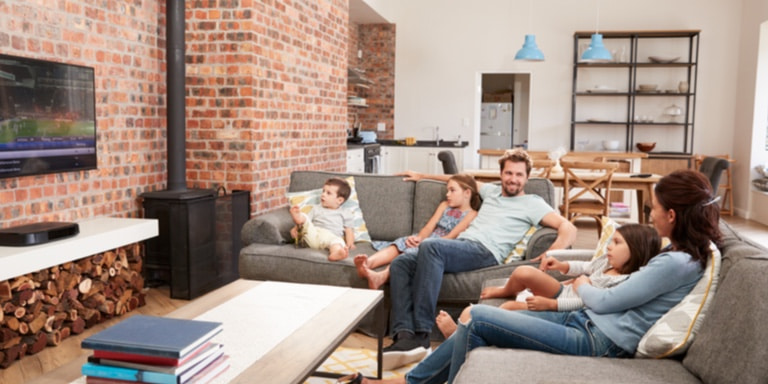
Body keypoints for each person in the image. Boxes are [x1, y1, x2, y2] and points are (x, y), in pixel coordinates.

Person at [356, 168, 722, 384]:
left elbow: (608, 300)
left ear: (672, 215)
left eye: (654, 209)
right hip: (585, 322)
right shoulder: (680, 254)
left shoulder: (677, 262)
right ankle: (411, 382)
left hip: (598, 339)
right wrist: (580, 277)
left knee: (480, 317)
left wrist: (582, 284)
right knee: (477, 322)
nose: (651, 214)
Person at [381, 148, 578, 370]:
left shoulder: (533, 203)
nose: (513, 179)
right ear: (501, 174)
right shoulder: (491, 191)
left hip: (485, 251)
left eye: (519, 174)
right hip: (459, 247)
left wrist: (552, 251)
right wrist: (421, 175)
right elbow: (460, 180)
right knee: (401, 263)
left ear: (527, 177)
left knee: (431, 247)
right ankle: (404, 335)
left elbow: (568, 227)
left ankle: (421, 335)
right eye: (509, 173)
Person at [436, 224, 661, 338]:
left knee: (509, 308)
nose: (609, 246)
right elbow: (585, 267)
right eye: (611, 241)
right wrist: (563, 266)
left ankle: (457, 336)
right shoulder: (607, 262)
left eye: (617, 243)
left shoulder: (624, 282)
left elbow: (587, 304)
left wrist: (551, 305)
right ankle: (506, 289)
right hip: (563, 292)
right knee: (525, 272)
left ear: (636, 250)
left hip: (566, 309)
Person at [354, 174, 481, 290]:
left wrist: (424, 243)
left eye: (452, 190)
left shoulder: (472, 214)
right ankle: (367, 264)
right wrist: (419, 238)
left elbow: (451, 236)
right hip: (428, 238)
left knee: (411, 252)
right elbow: (429, 227)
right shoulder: (444, 205)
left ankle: (381, 276)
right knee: (402, 242)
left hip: (441, 245)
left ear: (467, 193)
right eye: (447, 190)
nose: (447, 194)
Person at [289, 177, 356, 261]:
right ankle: (298, 216)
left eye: (328, 193)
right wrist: (295, 228)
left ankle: (336, 253)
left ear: (339, 200)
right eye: (323, 191)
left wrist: (350, 243)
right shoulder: (316, 208)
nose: (323, 194)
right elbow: (306, 224)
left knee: (338, 242)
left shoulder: (345, 213)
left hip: (330, 237)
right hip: (314, 234)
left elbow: (349, 230)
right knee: (305, 219)